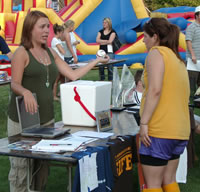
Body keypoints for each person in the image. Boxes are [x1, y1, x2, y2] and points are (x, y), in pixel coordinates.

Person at [7, 10, 109, 192]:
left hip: (46, 119)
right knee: (21, 168)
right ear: (30, 29)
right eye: (42, 27)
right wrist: (25, 91)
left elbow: (72, 74)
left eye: (48, 27)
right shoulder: (21, 53)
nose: (47, 31)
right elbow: (14, 83)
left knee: (42, 168)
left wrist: (96, 61)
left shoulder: (50, 52)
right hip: (22, 120)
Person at [139, 17, 190, 192]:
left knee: (153, 184)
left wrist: (144, 122)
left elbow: (155, 90)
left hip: (160, 130)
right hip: (180, 131)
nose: (143, 40)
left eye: (145, 36)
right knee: (169, 180)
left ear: (155, 37)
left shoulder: (156, 53)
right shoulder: (177, 59)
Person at [185, 6, 200, 95]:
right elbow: (188, 41)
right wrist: (193, 55)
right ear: (197, 15)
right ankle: (190, 102)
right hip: (193, 61)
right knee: (191, 83)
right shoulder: (191, 27)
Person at [51, 23, 65, 101]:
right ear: (58, 32)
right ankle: (54, 96)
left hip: (61, 62)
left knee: (62, 79)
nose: (62, 34)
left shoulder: (58, 40)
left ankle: (61, 93)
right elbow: (62, 51)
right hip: (58, 63)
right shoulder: (55, 40)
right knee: (56, 80)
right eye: (62, 32)